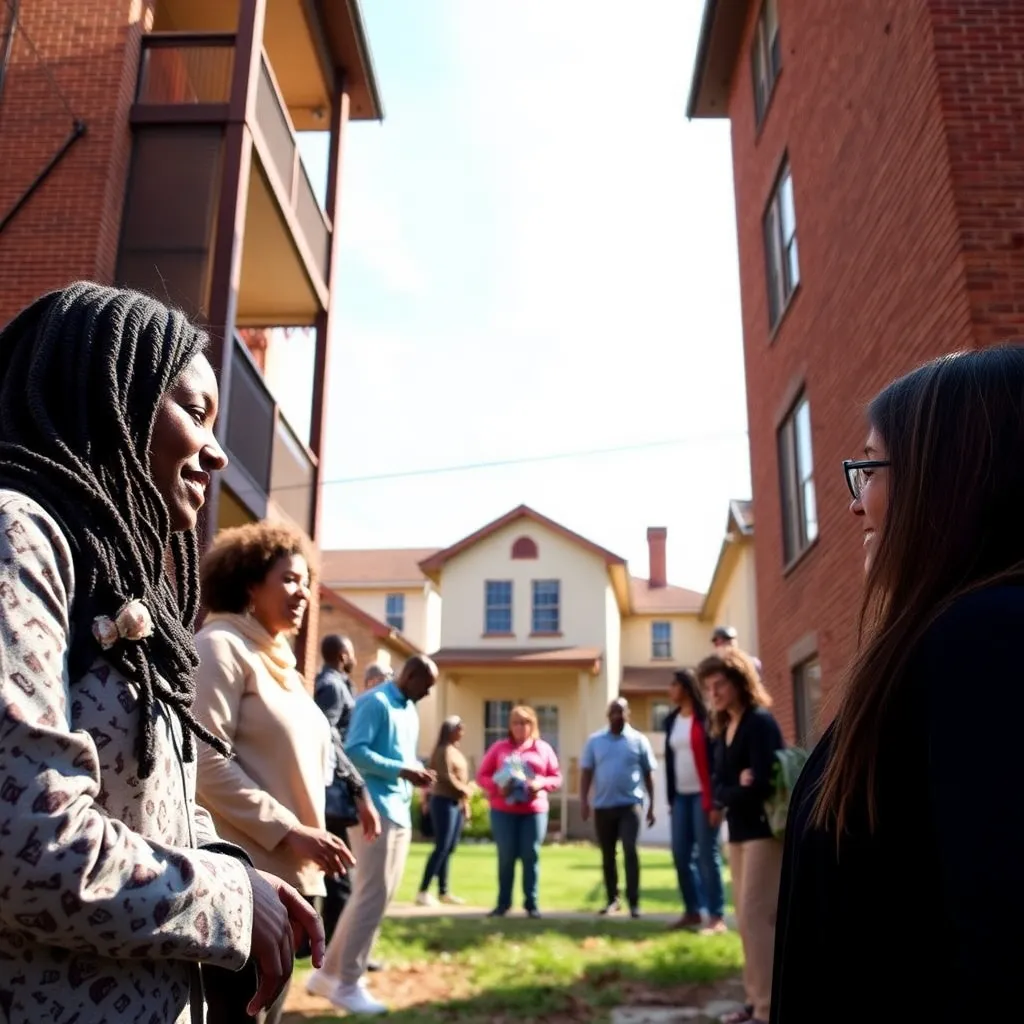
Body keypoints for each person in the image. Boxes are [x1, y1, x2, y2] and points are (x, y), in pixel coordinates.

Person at [0, 284, 322, 1024]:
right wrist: (226, 900)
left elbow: (152, 799)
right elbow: (25, 841)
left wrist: (242, 873)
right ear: (106, 388)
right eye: (195, 412)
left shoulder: (116, 575)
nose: (215, 452)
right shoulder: (18, 537)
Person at [771, 346, 1024, 1023]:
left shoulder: (986, 641)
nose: (855, 506)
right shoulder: (954, 640)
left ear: (954, 477)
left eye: (871, 467)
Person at [193, 523, 377, 1023]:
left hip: (292, 881)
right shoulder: (219, 648)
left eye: (306, 582)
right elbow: (205, 764)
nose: (302, 593)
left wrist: (356, 792)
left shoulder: (285, 666)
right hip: (244, 882)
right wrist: (290, 830)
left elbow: (319, 748)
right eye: (289, 580)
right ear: (251, 583)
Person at [307, 655, 438, 1015]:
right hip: (372, 811)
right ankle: (348, 982)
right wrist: (403, 771)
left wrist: (411, 774)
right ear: (410, 675)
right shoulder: (375, 702)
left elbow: (400, 757)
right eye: (425, 686)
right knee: (371, 895)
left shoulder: (408, 708)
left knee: (375, 896)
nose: (427, 694)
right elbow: (353, 752)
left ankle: (327, 975)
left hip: (398, 811)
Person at [697, 650, 783, 1024]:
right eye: (708, 687)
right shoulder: (722, 727)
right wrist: (735, 787)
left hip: (765, 832)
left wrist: (733, 790)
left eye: (719, 684)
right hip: (739, 832)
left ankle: (767, 1011)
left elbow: (761, 783)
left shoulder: (760, 723)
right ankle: (754, 1002)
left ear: (739, 683)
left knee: (758, 917)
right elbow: (720, 785)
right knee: (745, 920)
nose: (713, 693)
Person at [313, 634, 382, 943]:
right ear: (343, 654)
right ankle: (333, 948)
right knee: (339, 875)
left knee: (332, 872)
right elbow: (325, 735)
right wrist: (356, 783)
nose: (355, 657)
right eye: (352, 651)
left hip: (333, 791)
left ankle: (320, 943)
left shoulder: (335, 683)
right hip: (332, 794)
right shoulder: (331, 686)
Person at [477, 705, 562, 919]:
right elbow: (482, 776)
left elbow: (556, 777)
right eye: (516, 722)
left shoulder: (542, 749)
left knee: (530, 855)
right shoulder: (499, 748)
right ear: (510, 726)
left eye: (525, 723)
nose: (520, 727)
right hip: (503, 810)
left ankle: (531, 904)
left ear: (532, 725)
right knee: (506, 856)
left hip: (533, 811)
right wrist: (498, 786)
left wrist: (540, 783)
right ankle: (503, 903)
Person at [579, 698, 656, 918]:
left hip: (630, 805)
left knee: (630, 850)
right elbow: (586, 772)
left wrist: (651, 806)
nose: (617, 716)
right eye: (613, 712)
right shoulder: (595, 741)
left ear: (628, 714)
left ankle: (634, 902)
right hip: (603, 806)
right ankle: (612, 899)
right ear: (607, 715)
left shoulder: (638, 741)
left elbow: (649, 774)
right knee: (607, 854)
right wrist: (584, 801)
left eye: (621, 712)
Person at [664, 669, 726, 934]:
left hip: (704, 797)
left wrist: (716, 802)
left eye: (674, 684)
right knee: (680, 854)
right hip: (680, 797)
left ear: (686, 688)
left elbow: (718, 762)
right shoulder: (671, 720)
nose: (670, 689)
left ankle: (716, 916)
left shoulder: (707, 719)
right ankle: (692, 911)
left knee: (707, 856)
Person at [417, 716, 473, 905]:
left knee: (450, 847)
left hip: (455, 802)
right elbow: (446, 777)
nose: (463, 731)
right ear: (451, 730)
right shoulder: (443, 751)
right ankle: (423, 891)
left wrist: (465, 801)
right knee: (441, 846)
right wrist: (465, 790)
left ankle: (443, 890)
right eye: (460, 727)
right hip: (442, 801)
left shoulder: (455, 750)